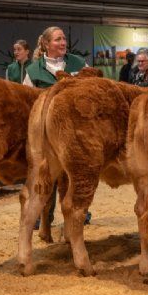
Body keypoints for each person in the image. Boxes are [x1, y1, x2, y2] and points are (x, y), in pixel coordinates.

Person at [23, 26, 89, 226]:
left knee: (76, 174)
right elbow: (28, 102)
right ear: (45, 44)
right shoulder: (33, 70)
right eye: (58, 40)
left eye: (63, 39)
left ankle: (80, 213)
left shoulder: (79, 63)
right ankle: (44, 217)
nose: (63, 43)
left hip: (75, 131)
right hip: (45, 133)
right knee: (45, 174)